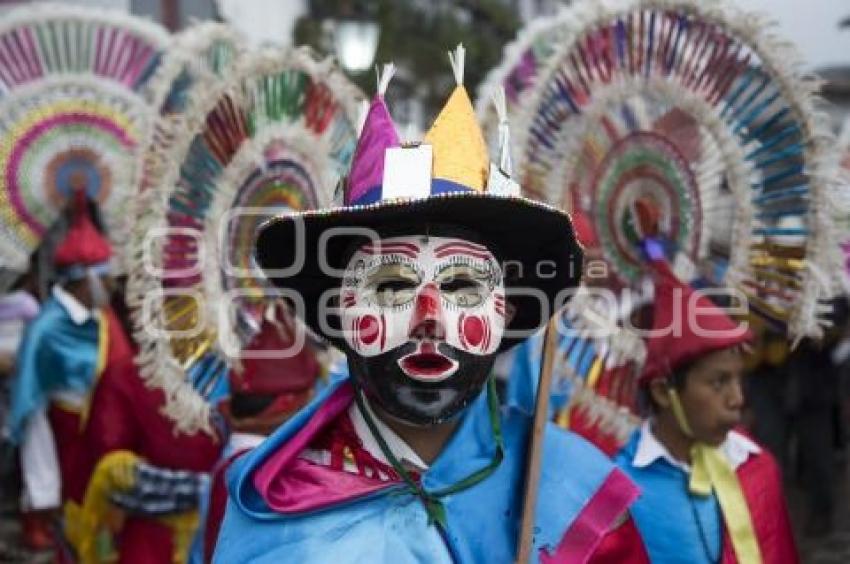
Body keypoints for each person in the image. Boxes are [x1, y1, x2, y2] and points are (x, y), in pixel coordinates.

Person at [211, 51, 645, 563]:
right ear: (339, 313)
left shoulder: (571, 491)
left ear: (503, 310)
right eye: (392, 287)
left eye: (463, 285)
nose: (429, 317)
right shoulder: (273, 504)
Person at [613, 244, 799, 563]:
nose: (737, 399)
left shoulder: (755, 465)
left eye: (738, 380)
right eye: (718, 383)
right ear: (662, 392)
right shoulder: (620, 492)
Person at [6, 188, 132, 551]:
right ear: (85, 279)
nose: (111, 285)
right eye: (105, 277)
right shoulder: (46, 327)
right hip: (65, 431)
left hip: (105, 426)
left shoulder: (104, 317)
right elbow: (30, 400)